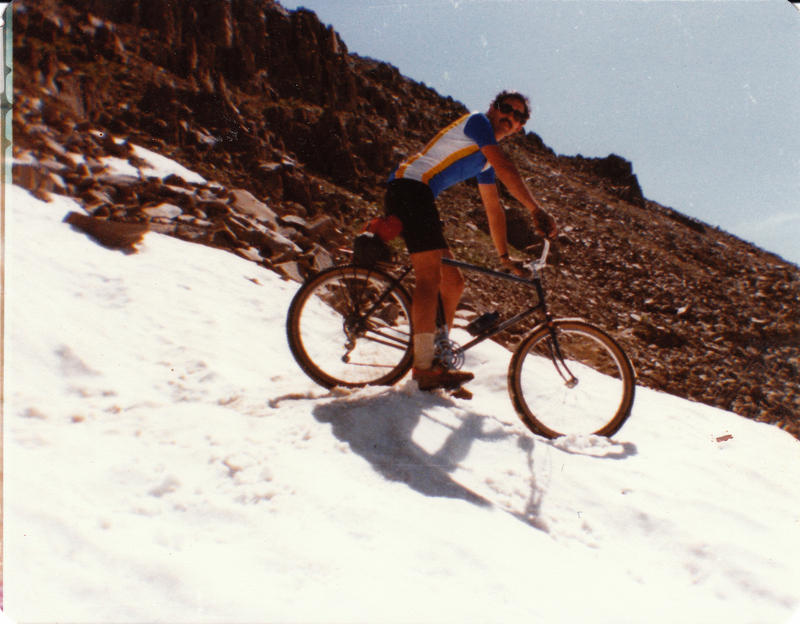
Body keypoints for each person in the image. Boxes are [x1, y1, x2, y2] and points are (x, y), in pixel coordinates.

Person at [384, 90, 558, 390]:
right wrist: (535, 210)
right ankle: (424, 368)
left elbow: (493, 208)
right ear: (492, 107)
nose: (511, 118)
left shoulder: (484, 162)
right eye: (506, 109)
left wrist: (504, 258)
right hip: (410, 188)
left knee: (454, 283)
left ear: (520, 128)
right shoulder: (478, 123)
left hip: (418, 195)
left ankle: (437, 358)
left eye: (519, 117)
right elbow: (505, 165)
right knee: (429, 279)